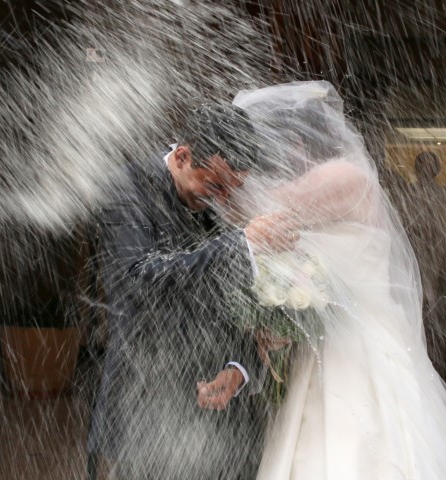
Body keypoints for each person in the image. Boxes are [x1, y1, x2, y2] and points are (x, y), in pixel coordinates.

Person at [229, 82, 446, 480]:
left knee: (349, 429)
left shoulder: (342, 176)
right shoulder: (348, 175)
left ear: (302, 142)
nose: (284, 157)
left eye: (286, 145)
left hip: (353, 338)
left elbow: (260, 206)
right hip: (346, 331)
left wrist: (224, 177)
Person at [87, 105, 298, 479]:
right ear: (183, 156)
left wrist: (239, 369)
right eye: (215, 185)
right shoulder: (127, 188)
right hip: (145, 407)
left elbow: (235, 304)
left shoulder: (217, 207)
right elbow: (139, 279)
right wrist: (241, 245)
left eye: (233, 189)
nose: (222, 198)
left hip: (221, 425)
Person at [404, 150, 446, 373]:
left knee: (438, 316)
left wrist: (438, 242)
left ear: (437, 170)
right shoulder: (407, 193)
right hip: (414, 261)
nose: (426, 171)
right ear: (417, 169)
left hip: (439, 263)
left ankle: (439, 365)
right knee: (415, 313)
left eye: (431, 166)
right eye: (422, 166)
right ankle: (417, 365)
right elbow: (401, 228)